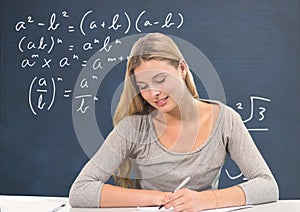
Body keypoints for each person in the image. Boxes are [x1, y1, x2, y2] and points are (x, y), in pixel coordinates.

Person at [69, 32, 278, 211]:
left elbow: (267, 186)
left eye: (160, 80)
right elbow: (80, 191)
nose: (154, 93)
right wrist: (163, 198)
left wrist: (204, 200)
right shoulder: (134, 128)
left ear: (182, 68)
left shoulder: (225, 120)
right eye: (143, 86)